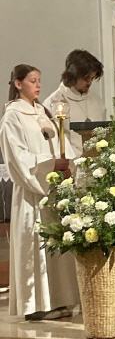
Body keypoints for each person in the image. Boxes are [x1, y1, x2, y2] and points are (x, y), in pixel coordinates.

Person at [0, 65, 79, 320]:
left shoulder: (42, 112)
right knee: (35, 248)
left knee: (55, 246)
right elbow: (17, 157)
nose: (38, 85)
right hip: (31, 193)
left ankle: (59, 299)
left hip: (51, 191)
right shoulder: (12, 117)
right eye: (33, 81)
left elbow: (61, 145)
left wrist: (67, 163)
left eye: (39, 80)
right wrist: (49, 165)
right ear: (18, 83)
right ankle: (36, 306)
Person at [44, 49, 106, 122]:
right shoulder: (52, 103)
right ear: (72, 75)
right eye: (86, 78)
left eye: (92, 78)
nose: (89, 82)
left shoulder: (97, 102)